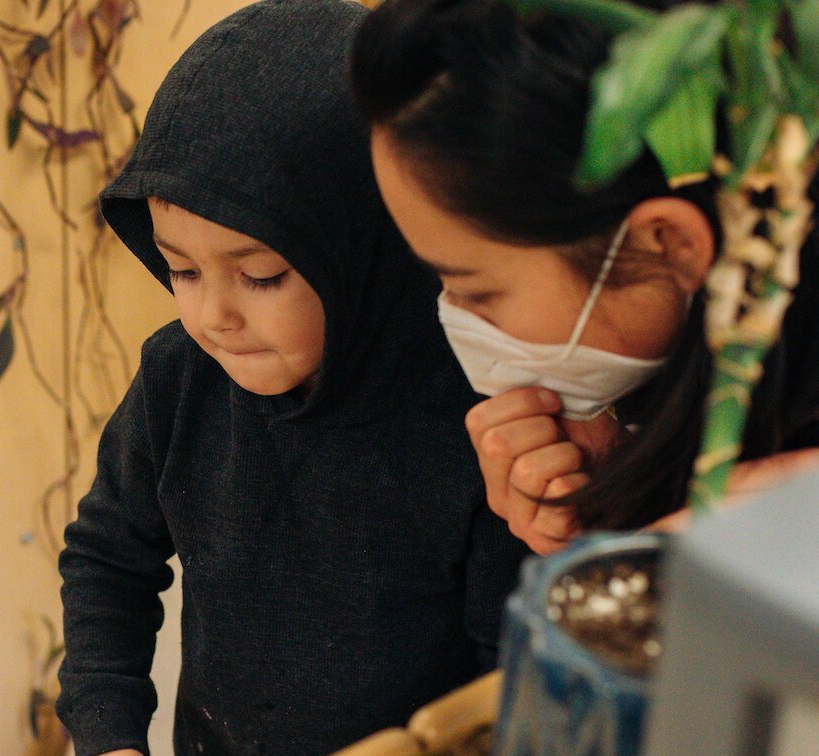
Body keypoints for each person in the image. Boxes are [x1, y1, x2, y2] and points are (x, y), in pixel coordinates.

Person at [55, 0, 528, 756]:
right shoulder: (179, 379)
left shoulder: (477, 423)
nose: (214, 315)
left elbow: (509, 680)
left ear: (366, 247)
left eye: (262, 274)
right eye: (182, 269)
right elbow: (106, 557)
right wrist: (108, 726)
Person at [350, 0, 819, 555]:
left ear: (671, 245)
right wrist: (616, 495)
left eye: (476, 290)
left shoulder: (779, 522)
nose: (453, 315)